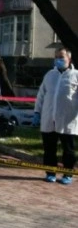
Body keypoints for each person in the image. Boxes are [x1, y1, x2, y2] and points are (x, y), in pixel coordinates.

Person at [33, 47, 78, 185]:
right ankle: (50, 172)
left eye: (61, 57)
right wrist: (37, 112)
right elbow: (41, 95)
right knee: (49, 149)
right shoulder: (49, 75)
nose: (58, 60)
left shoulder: (76, 75)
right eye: (56, 57)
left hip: (67, 119)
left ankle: (68, 174)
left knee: (68, 150)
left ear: (68, 59)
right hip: (49, 118)